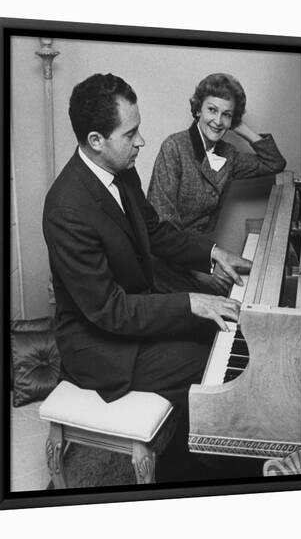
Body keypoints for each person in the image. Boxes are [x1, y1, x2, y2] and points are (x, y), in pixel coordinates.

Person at [43, 72, 251, 415]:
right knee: (210, 361)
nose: (141, 141)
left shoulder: (122, 170)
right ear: (96, 139)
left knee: (224, 332)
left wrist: (214, 254)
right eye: (130, 133)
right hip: (100, 345)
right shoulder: (66, 209)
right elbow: (111, 310)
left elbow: (154, 231)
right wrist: (191, 303)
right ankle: (188, 461)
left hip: (135, 310)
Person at [147, 72, 286, 295]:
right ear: (197, 110)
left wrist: (242, 128)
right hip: (165, 264)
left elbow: (274, 163)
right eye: (212, 110)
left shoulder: (228, 155)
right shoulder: (174, 147)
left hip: (200, 256)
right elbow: (164, 227)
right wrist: (200, 268)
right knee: (216, 315)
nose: (218, 121)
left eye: (227, 115)